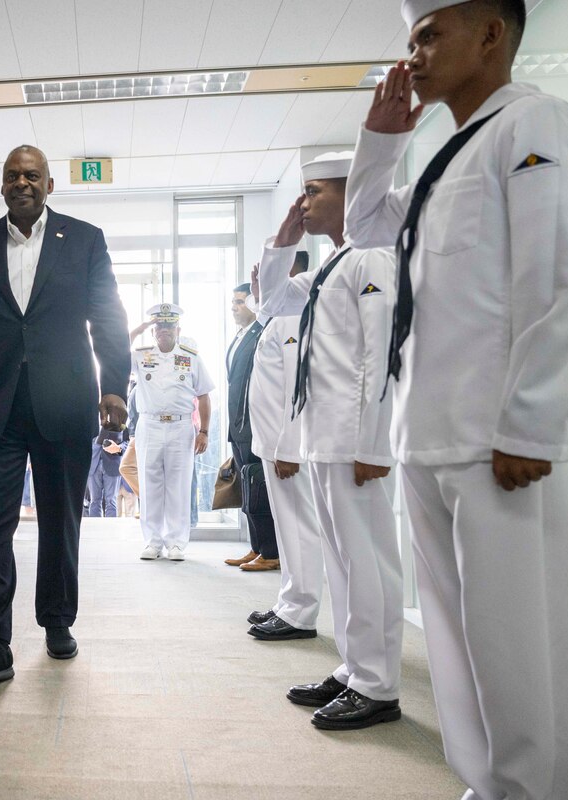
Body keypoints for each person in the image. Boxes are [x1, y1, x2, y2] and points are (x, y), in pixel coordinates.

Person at [347, 0, 568, 793]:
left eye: (428, 35)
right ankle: (487, 785)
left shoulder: (536, 125)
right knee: (455, 649)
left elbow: (555, 280)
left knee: (517, 651)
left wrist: (532, 423)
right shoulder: (448, 152)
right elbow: (365, 229)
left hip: (497, 444)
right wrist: (383, 137)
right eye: (410, 40)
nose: (412, 56)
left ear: (491, 34)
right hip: (430, 436)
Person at [0, 145, 130, 684]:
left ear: (50, 184)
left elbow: (108, 319)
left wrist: (114, 388)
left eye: (32, 175)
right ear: (0, 185)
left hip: (65, 402)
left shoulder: (85, 240)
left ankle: (56, 621)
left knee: (60, 519)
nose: (21, 183)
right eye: (11, 176)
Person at [257, 151, 402, 731]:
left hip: (351, 439)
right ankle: (354, 667)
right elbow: (271, 305)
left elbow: (381, 353)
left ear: (351, 193)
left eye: (315, 191)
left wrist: (374, 444)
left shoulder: (373, 257)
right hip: (324, 436)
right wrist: (282, 240)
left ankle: (378, 683)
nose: (305, 202)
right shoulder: (335, 262)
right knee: (343, 562)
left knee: (367, 562)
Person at [244, 252, 326, 642]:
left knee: (298, 527)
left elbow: (298, 387)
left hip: (285, 449)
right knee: (287, 526)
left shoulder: (294, 316)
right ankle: (289, 600)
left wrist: (289, 447)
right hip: (272, 446)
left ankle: (301, 612)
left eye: (265, 272)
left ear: (292, 274)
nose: (257, 279)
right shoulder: (277, 317)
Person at [132, 304, 214, 560]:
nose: (163, 331)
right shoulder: (141, 356)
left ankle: (176, 542)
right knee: (149, 483)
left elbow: (203, 396)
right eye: (159, 326)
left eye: (168, 326)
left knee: (178, 485)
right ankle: (153, 542)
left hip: (180, 427)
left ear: (177, 329)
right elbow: (114, 349)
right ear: (153, 330)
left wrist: (205, 431)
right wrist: (139, 328)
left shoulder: (191, 357)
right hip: (150, 425)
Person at [222, 285, 279, 571]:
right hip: (238, 426)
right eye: (232, 301)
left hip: (254, 425)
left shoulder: (261, 333)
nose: (233, 307)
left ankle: (271, 552)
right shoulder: (239, 337)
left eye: (239, 302)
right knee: (248, 488)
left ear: (254, 304)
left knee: (260, 488)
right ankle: (256, 548)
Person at [86, 427, 127, 518]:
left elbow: (127, 441)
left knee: (111, 501)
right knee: (94, 501)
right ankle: (94, 529)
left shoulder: (119, 416)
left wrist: (119, 448)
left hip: (113, 463)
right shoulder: (90, 416)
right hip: (93, 463)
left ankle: (111, 530)